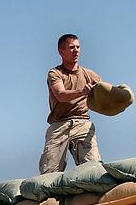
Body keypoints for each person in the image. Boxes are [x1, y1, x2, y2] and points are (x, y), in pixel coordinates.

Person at [39, 34, 104, 174]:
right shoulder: (55, 73)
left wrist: (121, 95)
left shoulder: (89, 74)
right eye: (71, 47)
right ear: (61, 51)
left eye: (78, 47)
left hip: (82, 123)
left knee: (93, 169)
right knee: (49, 172)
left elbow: (105, 92)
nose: (76, 51)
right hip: (60, 125)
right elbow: (61, 95)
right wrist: (82, 91)